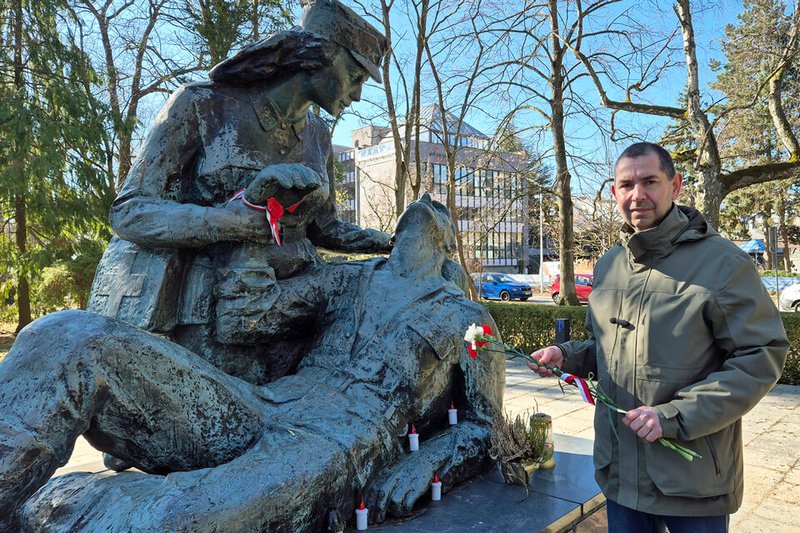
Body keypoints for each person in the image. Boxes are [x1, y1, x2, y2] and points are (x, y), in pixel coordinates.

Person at [0, 195, 504, 531]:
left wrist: (425, 463)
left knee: (182, 518)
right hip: (264, 403)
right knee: (69, 335)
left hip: (340, 441)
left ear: (446, 244)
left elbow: (484, 425)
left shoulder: (468, 319)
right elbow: (248, 318)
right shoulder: (349, 278)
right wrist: (257, 220)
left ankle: (45, 506)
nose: (424, 202)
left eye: (437, 208)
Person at [86, 0, 392, 385]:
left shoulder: (319, 136)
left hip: (298, 320)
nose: (358, 94)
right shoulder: (201, 105)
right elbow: (129, 211)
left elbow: (325, 228)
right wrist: (227, 221)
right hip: (207, 326)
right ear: (321, 56)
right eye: (356, 76)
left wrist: (394, 242)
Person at [529, 142, 788, 532]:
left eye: (650, 181)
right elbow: (606, 349)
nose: (637, 195)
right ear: (614, 191)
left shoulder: (723, 263)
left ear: (676, 185)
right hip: (620, 477)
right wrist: (567, 356)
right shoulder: (609, 265)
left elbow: (761, 356)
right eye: (626, 185)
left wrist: (675, 415)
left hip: (692, 481)